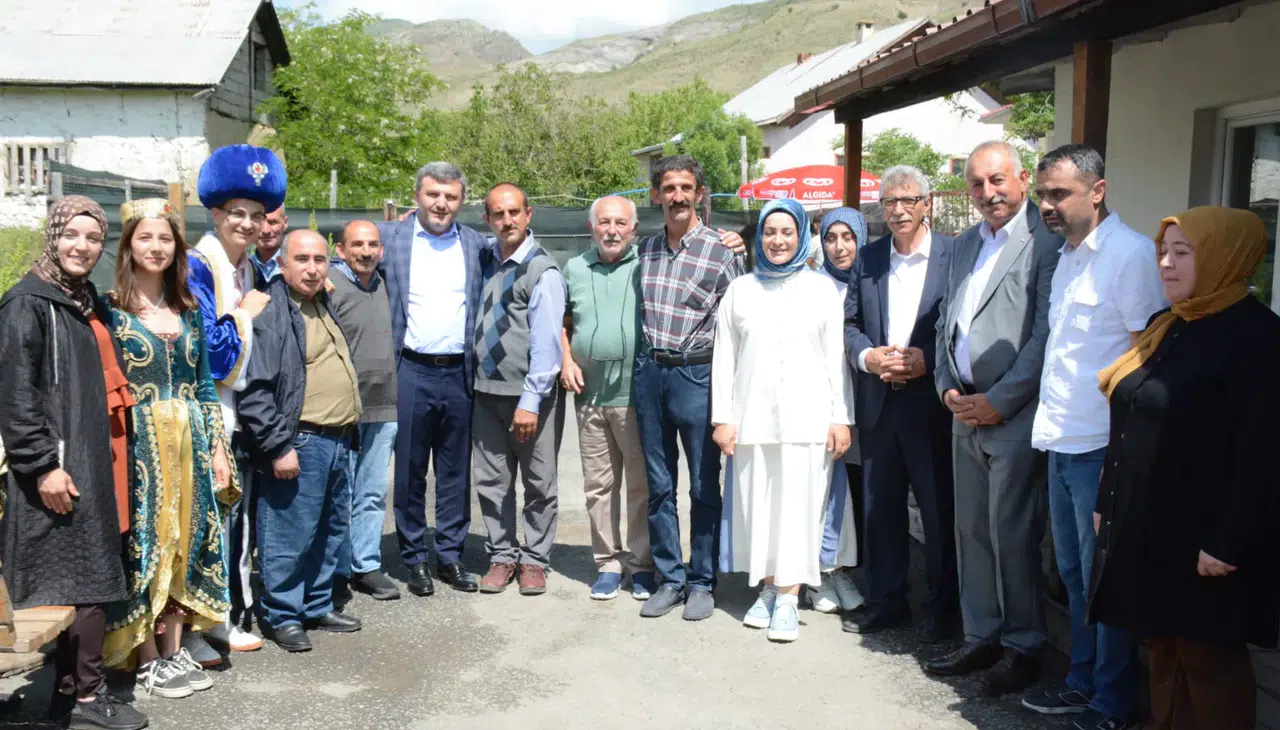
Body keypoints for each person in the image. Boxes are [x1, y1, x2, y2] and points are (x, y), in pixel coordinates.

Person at [1093, 207, 1280, 730]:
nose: (1167, 264)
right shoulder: (1167, 325)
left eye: (1184, 252)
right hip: (1154, 523)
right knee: (1162, 647)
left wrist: (1227, 541)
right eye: (1163, 252)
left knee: (1209, 660)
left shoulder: (1258, 339)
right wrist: (1106, 502)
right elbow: (1128, 417)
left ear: (1226, 257)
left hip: (1209, 538)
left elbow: (1262, 454)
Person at [1020, 145, 1163, 729]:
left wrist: (1121, 461)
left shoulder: (1128, 257)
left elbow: (1144, 363)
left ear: (1097, 191)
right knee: (1076, 575)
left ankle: (1112, 701)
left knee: (1104, 581)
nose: (1048, 206)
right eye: (1043, 195)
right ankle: (1082, 680)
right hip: (1061, 439)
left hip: (1102, 450)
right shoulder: (1070, 256)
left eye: (1060, 194)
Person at [0, 196, 148, 730]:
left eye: (92, 238)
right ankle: (87, 699)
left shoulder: (83, 301)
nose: (81, 247)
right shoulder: (27, 303)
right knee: (81, 580)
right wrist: (42, 466)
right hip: (57, 469)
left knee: (85, 578)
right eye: (72, 235)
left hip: (90, 457)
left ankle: (70, 696)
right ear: (52, 236)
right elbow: (16, 399)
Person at [924, 140, 1062, 696]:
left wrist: (1000, 399)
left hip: (1013, 414)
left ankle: (1024, 646)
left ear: (1023, 179)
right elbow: (944, 325)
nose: (988, 193)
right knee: (973, 531)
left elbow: (1044, 336)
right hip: (963, 409)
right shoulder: (962, 247)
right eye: (978, 184)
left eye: (998, 180)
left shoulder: (1046, 243)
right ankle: (981, 634)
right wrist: (946, 385)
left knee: (1011, 535)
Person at [100, 199, 238, 700]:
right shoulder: (110, 309)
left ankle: (174, 647)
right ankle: (145, 656)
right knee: (145, 546)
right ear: (129, 246)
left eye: (165, 239)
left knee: (186, 543)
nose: (156, 247)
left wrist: (219, 452)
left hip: (191, 443)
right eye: (145, 238)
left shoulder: (190, 311)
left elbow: (204, 385)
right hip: (138, 450)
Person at [712, 198, 852, 643]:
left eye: (786, 232)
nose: (777, 240)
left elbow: (836, 359)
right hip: (751, 420)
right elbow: (724, 358)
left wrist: (840, 417)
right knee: (761, 507)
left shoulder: (820, 289)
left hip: (808, 422)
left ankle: (790, 595)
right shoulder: (741, 290)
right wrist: (723, 418)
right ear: (759, 238)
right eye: (769, 232)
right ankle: (769, 587)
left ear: (801, 237)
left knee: (798, 509)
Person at [842, 166, 959, 644]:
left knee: (938, 513)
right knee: (881, 510)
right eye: (889, 202)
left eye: (908, 200)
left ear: (927, 203)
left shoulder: (955, 255)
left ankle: (942, 608)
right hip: (879, 407)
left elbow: (963, 326)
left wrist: (926, 361)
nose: (898, 210)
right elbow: (848, 324)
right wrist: (868, 356)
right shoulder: (867, 259)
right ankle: (887, 600)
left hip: (930, 406)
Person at [237, 229, 363, 652]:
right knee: (287, 535)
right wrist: (277, 445)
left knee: (329, 531)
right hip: (300, 441)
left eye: (320, 260)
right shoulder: (273, 313)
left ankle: (316, 603)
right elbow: (255, 391)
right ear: (283, 264)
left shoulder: (321, 302)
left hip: (339, 439)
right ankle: (282, 613)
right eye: (302, 259)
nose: (312, 268)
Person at [634, 155, 745, 622]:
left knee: (703, 485)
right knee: (659, 486)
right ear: (656, 195)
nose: (677, 196)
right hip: (651, 374)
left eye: (686, 187)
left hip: (698, 377)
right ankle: (669, 578)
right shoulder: (647, 250)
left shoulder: (724, 252)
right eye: (668, 188)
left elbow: (740, 326)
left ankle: (702, 581)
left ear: (700, 193)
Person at [188, 144, 281, 654]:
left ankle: (228, 615)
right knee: (207, 519)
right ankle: (203, 624)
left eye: (255, 215)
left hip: (245, 416)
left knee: (235, 520)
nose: (246, 224)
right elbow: (214, 356)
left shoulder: (251, 268)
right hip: (208, 413)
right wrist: (244, 312)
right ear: (216, 213)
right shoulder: (199, 266)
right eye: (236, 214)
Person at [381, 162, 485, 597]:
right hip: (410, 368)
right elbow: (344, 258)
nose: (441, 203)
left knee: (454, 470)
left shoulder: (477, 244)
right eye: (432, 195)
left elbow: (523, 251)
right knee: (408, 470)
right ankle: (414, 558)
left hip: (459, 371)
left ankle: (450, 556)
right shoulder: (390, 239)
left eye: (450, 196)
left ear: (461, 201)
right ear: (417, 196)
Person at [472, 183, 566, 596]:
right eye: (498, 214)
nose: (506, 221)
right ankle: (502, 556)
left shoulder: (541, 270)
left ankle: (534, 560)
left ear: (529, 214)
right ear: (487, 219)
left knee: (538, 483)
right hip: (485, 394)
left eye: (513, 212)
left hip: (531, 399)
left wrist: (530, 402)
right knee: (492, 482)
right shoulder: (484, 258)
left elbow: (547, 345)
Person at [560, 195, 655, 601]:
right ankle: (607, 563)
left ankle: (642, 563)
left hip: (635, 395)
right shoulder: (575, 268)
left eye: (620, 223)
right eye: (604, 223)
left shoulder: (647, 265)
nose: (612, 230)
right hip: (590, 397)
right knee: (599, 485)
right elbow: (561, 323)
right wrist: (566, 360)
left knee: (640, 485)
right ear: (592, 228)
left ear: (633, 229)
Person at [328, 220, 401, 601]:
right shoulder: (327, 286)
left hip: (385, 404)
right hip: (342, 408)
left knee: (371, 491)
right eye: (357, 244)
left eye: (373, 244)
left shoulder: (390, 284)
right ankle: (337, 569)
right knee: (340, 492)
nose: (367, 251)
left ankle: (366, 565)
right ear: (340, 250)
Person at [805, 207, 865, 616]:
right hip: (826, 405)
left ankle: (843, 568)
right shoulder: (812, 286)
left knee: (855, 494)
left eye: (848, 237)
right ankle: (817, 573)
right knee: (826, 489)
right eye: (831, 238)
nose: (840, 246)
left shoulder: (874, 280)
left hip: (869, 403)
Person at [251, 204, 288, 284]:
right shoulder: (244, 268)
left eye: (272, 222)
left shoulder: (298, 266)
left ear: (285, 223)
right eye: (260, 223)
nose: (265, 230)